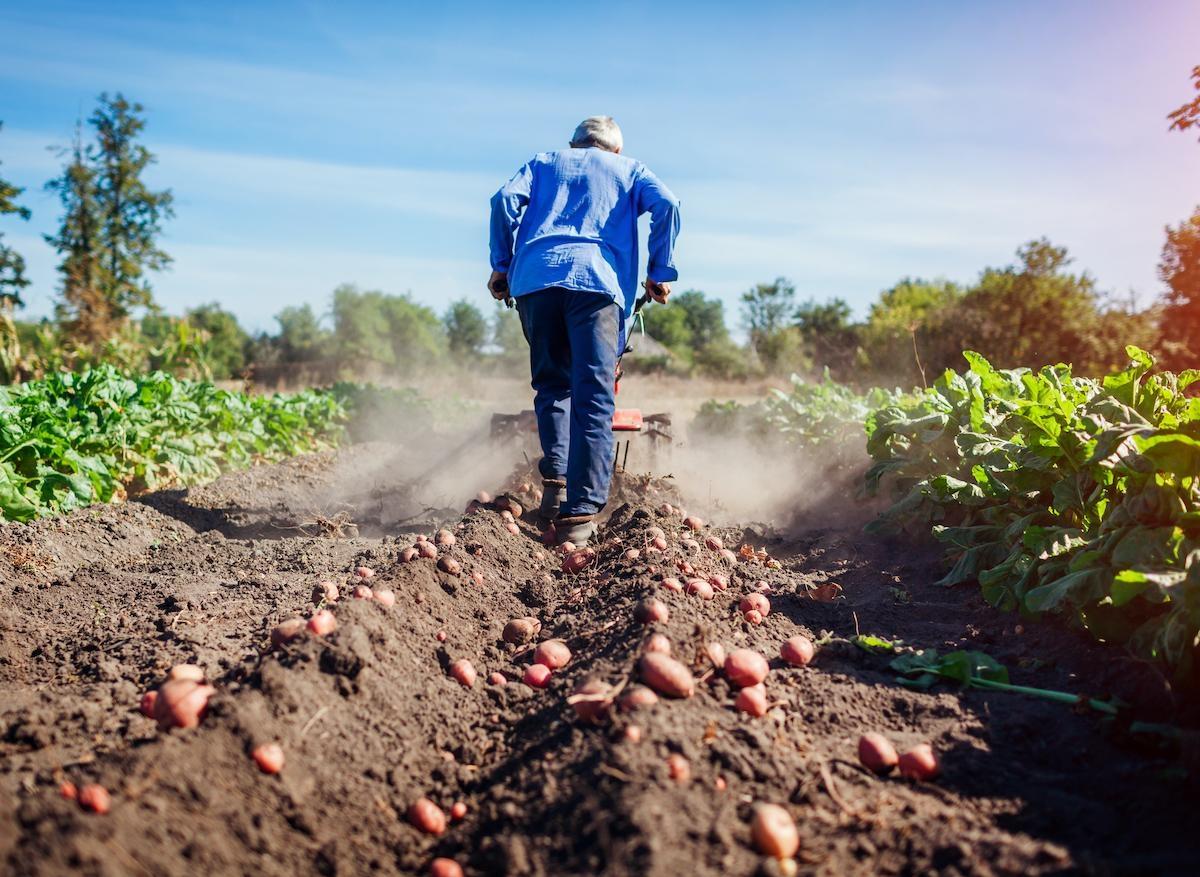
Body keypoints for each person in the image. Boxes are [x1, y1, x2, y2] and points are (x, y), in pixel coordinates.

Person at [488, 116, 681, 545]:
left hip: (536, 280)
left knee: (553, 385)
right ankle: (578, 518)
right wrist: (659, 270)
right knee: (594, 395)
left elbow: (503, 201)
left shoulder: (544, 162)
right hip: (597, 283)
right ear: (614, 150)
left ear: (574, 145)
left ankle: (555, 487)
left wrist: (501, 266)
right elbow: (667, 205)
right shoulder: (630, 169)